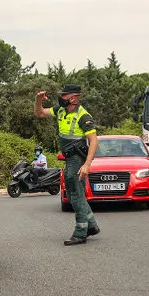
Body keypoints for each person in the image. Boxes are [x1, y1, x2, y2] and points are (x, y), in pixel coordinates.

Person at [34, 84, 100, 245]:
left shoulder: (84, 116)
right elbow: (40, 113)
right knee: (72, 194)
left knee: (76, 194)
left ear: (73, 98)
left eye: (64, 95)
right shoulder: (60, 110)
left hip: (77, 158)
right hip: (69, 158)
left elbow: (93, 141)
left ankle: (80, 232)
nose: (60, 97)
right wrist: (38, 100)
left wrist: (87, 164)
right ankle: (91, 225)